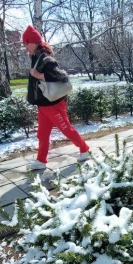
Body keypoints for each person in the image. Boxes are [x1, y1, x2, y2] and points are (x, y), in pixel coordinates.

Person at [23, 25, 90, 170]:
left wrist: (38, 75)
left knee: (66, 129)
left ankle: (85, 149)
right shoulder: (35, 58)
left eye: (26, 43)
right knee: (42, 134)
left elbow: (61, 76)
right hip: (43, 105)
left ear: (34, 42)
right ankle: (41, 161)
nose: (25, 46)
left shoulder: (45, 59)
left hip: (53, 105)